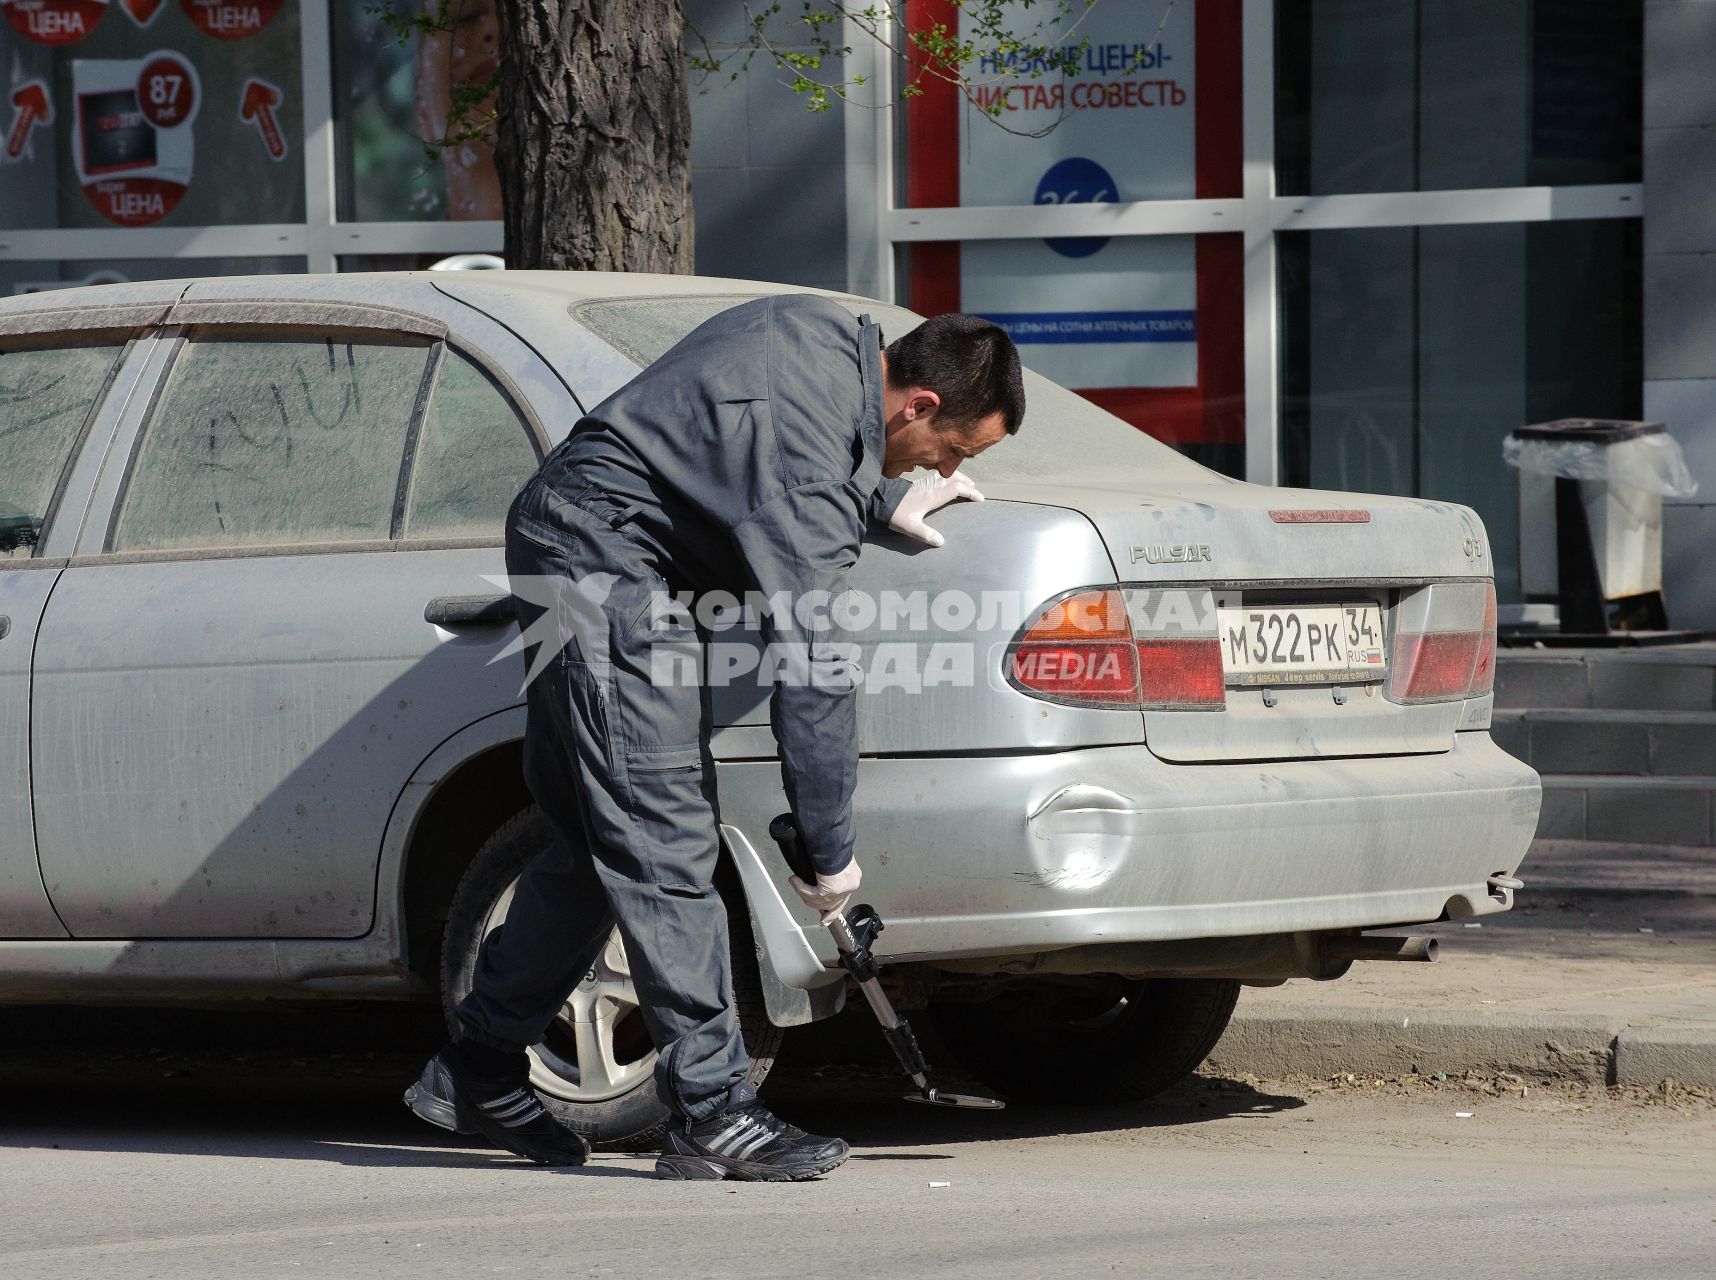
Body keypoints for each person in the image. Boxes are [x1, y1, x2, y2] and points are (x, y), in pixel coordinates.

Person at [404, 294, 1024, 1181]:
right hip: (599, 567)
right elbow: (813, 669)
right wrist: (827, 850)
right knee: (666, 838)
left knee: (593, 835)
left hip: (566, 536)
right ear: (918, 405)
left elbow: (746, 444)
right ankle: (712, 1112)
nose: (947, 464)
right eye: (953, 449)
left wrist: (879, 493)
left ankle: (476, 1067)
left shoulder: (819, 331)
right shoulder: (808, 460)